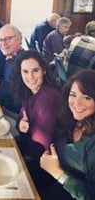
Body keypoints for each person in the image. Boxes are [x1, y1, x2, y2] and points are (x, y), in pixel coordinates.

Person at [11, 50, 62, 193]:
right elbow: (21, 120)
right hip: (31, 152)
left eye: (35, 70)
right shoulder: (30, 91)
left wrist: (21, 166)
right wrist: (21, 124)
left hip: (42, 167)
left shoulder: (48, 97)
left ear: (44, 70)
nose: (30, 77)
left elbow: (40, 145)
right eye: (25, 72)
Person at [40, 69, 95, 200]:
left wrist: (58, 173)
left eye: (86, 97)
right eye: (73, 95)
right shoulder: (71, 120)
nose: (77, 103)